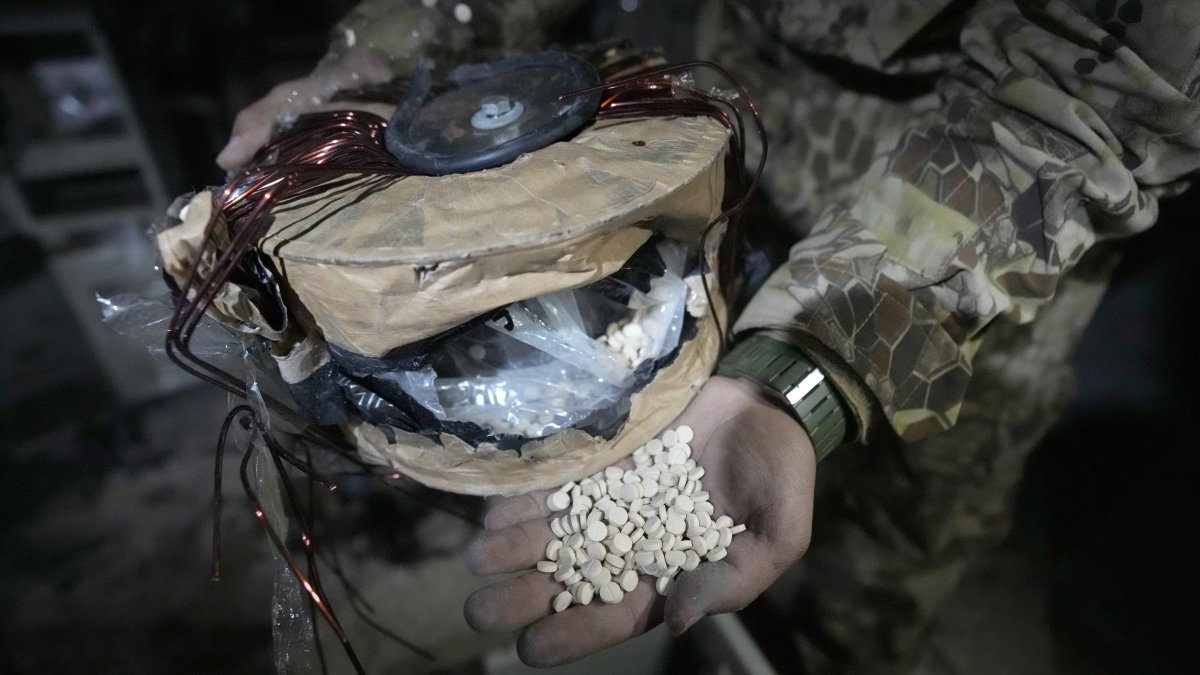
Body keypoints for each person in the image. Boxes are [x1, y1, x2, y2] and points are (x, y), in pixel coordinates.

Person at [218, 1, 1200, 672]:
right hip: (717, 138)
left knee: (896, 531)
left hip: (968, 212)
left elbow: (1096, 102)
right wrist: (413, 35)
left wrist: (809, 368)